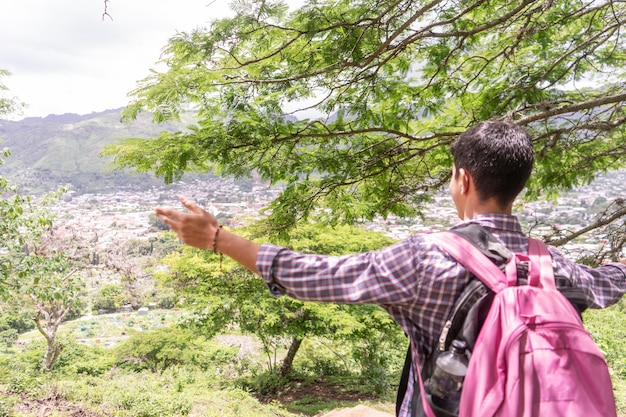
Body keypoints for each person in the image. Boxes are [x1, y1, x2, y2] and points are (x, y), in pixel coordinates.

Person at [154, 119, 626, 417]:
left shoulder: (428, 258)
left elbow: (321, 276)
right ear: (519, 183)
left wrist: (219, 239)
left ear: (463, 178)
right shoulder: (554, 266)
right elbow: (612, 279)